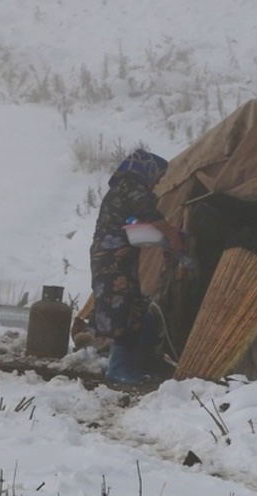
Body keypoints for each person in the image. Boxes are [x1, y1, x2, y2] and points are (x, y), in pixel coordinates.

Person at [90, 148, 183, 384]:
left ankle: (129, 366)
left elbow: (136, 226)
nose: (158, 181)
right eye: (158, 175)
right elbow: (150, 215)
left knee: (132, 307)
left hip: (119, 256)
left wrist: (167, 237)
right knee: (120, 306)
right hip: (112, 259)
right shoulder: (131, 188)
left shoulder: (125, 191)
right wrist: (172, 237)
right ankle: (117, 369)